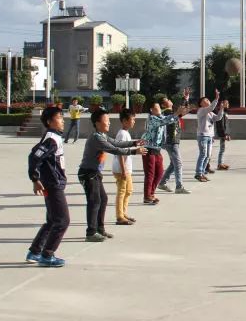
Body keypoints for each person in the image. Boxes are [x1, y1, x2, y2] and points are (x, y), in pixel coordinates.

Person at [78, 109, 145, 240]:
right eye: (106, 121)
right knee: (94, 201)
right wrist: (133, 151)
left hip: (95, 173)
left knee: (103, 199)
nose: (109, 123)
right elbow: (114, 149)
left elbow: (116, 143)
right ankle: (91, 232)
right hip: (87, 174)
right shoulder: (96, 137)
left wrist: (134, 142)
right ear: (97, 123)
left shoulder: (102, 135)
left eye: (109, 120)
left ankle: (100, 229)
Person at [26, 106, 69, 267]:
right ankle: (47, 254)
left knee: (52, 220)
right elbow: (34, 156)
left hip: (53, 184)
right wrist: (35, 178)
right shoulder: (51, 139)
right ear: (50, 121)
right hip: (52, 185)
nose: (62, 120)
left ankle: (35, 251)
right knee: (62, 221)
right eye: (59, 117)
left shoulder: (54, 137)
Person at [142, 100, 189, 204]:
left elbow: (171, 119)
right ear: (151, 110)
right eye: (157, 107)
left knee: (159, 173)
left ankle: (152, 193)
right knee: (150, 174)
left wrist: (180, 112)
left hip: (157, 149)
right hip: (148, 148)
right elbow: (166, 121)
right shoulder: (152, 119)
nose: (160, 109)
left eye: (159, 107)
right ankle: (147, 196)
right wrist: (176, 113)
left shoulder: (160, 117)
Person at [161, 90, 192, 192]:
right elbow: (181, 110)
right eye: (167, 100)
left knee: (174, 164)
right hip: (171, 141)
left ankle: (162, 182)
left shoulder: (171, 112)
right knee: (178, 164)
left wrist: (186, 99)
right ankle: (179, 187)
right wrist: (185, 99)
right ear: (163, 105)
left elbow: (184, 110)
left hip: (173, 141)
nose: (170, 100)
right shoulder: (166, 112)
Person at [112, 109, 137, 225]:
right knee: (122, 191)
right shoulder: (122, 134)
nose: (134, 122)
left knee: (129, 190)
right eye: (132, 120)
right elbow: (120, 152)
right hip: (121, 169)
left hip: (126, 168)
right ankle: (119, 216)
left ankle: (123, 212)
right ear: (124, 121)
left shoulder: (126, 133)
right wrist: (123, 169)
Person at [194, 89, 221, 182]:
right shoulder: (201, 110)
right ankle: (198, 173)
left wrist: (221, 109)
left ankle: (202, 173)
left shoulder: (210, 112)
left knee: (208, 155)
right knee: (203, 154)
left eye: (208, 100)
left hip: (209, 136)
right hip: (202, 136)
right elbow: (211, 107)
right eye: (205, 100)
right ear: (201, 104)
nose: (207, 101)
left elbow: (218, 118)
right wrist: (216, 98)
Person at [214, 99, 232, 171]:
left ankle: (221, 163)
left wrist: (228, 134)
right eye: (226, 103)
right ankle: (220, 164)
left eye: (228, 103)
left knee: (223, 149)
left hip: (224, 133)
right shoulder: (221, 113)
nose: (228, 104)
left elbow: (226, 125)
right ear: (222, 104)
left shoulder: (225, 113)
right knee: (222, 149)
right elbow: (221, 125)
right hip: (222, 133)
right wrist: (224, 135)